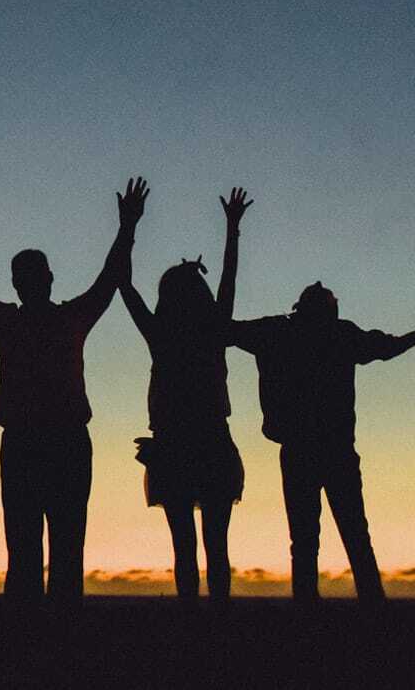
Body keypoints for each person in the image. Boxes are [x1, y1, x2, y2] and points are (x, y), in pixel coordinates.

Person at [0, 177, 148, 604]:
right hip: (46, 442)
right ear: (40, 280)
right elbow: (107, 280)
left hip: (42, 442)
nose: (29, 282)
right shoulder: (56, 320)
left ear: (34, 281)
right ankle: (43, 636)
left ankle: (36, 636)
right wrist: (128, 227)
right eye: (26, 277)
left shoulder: (29, 322)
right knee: (49, 547)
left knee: (38, 547)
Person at [228, 284, 415, 603]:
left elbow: (225, 329)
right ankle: (370, 609)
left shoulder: (277, 331)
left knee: (306, 539)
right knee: (353, 536)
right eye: (332, 301)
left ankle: (309, 611)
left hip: (300, 450)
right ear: (325, 309)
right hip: (335, 450)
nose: (336, 304)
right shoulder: (339, 335)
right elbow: (392, 347)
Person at [120, 188, 251, 602]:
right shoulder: (213, 329)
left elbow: (124, 285)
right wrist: (232, 230)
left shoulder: (161, 334)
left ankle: (191, 619)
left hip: (175, 445)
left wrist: (129, 226)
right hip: (210, 441)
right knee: (216, 546)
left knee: (185, 546)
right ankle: (216, 621)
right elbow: (228, 280)